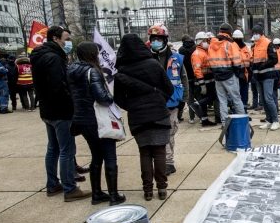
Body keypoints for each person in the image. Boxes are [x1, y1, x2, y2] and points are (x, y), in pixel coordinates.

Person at [30, 27, 91, 201]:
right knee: (66, 150)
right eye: (67, 38)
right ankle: (70, 188)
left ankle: (52, 184)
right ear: (55, 39)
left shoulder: (40, 57)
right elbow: (59, 87)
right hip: (60, 111)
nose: (69, 42)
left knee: (53, 148)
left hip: (47, 110)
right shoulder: (54, 58)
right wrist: (72, 101)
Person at [114, 33, 174, 201]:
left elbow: (118, 99)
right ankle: (162, 189)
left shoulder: (121, 72)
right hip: (159, 115)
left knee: (145, 153)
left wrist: (133, 106)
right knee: (160, 152)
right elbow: (169, 89)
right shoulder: (154, 65)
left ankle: (147, 191)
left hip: (137, 117)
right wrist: (159, 101)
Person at [67, 41, 126, 206]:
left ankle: (97, 193)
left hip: (82, 120)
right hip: (98, 120)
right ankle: (113, 195)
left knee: (96, 156)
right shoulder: (92, 71)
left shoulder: (72, 71)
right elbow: (102, 97)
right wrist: (111, 96)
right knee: (109, 156)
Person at [147, 23, 187, 176]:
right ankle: (161, 160)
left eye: (159, 38)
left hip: (171, 102)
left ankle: (168, 162)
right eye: (153, 38)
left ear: (164, 39)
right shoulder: (146, 57)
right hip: (152, 103)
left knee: (169, 133)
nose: (156, 41)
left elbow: (183, 79)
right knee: (155, 134)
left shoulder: (176, 58)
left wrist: (183, 100)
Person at [208, 23, 245, 125]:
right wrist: (237, 73)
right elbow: (237, 61)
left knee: (222, 100)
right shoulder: (230, 44)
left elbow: (210, 61)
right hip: (229, 75)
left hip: (217, 76)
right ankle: (242, 120)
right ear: (229, 32)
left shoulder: (212, 44)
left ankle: (224, 122)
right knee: (236, 98)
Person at [251, 24, 280, 130]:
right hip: (259, 76)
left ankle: (275, 120)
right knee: (263, 99)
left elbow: (274, 59)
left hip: (268, 74)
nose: (254, 35)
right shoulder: (255, 45)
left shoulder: (268, 43)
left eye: (256, 33)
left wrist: (261, 66)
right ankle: (269, 120)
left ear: (260, 33)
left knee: (268, 98)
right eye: (253, 34)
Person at [189, 32, 218, 127]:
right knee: (213, 96)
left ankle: (204, 119)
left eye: (207, 41)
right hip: (202, 80)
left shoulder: (204, 52)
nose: (207, 43)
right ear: (200, 41)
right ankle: (196, 104)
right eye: (205, 41)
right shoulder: (197, 54)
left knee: (206, 99)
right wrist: (202, 85)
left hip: (207, 79)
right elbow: (197, 70)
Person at [178, 34, 197, 123]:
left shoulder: (181, 50)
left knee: (190, 97)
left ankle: (191, 117)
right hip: (196, 75)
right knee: (199, 96)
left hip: (187, 76)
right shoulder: (195, 47)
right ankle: (202, 116)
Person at [233, 30, 252, 110]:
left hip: (245, 75)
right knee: (236, 97)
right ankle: (236, 113)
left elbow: (250, 60)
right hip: (236, 75)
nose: (238, 40)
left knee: (244, 96)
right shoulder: (232, 48)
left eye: (239, 38)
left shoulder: (246, 49)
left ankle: (244, 113)